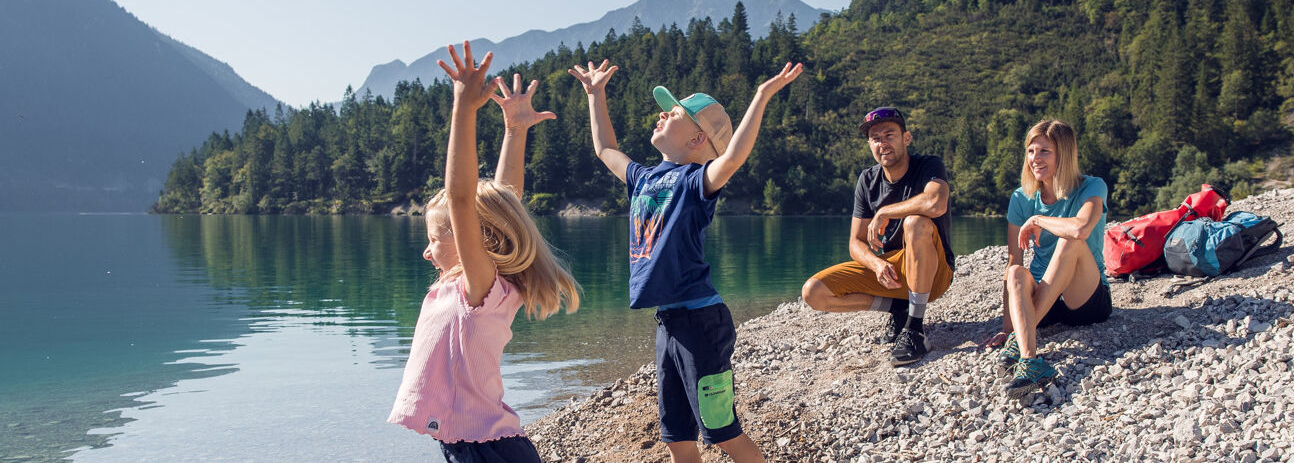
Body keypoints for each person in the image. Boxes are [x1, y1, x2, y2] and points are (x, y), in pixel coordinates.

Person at [570, 58, 802, 463]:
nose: (662, 114)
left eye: (674, 113)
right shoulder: (644, 178)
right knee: (676, 435)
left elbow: (732, 159)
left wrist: (761, 97)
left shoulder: (695, 183)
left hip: (700, 322)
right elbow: (605, 148)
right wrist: (596, 95)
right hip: (669, 321)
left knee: (722, 430)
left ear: (698, 141)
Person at [388, 43, 581, 462]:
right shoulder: (484, 283)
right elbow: (505, 201)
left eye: (436, 238)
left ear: (472, 237)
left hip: (485, 449)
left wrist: (464, 109)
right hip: (484, 444)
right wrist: (514, 131)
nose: (426, 252)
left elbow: (462, 198)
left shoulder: (480, 286)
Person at [800, 106, 955, 367]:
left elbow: (936, 203)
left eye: (889, 135)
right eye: (875, 138)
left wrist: (885, 212)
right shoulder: (867, 180)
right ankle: (898, 308)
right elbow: (855, 243)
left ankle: (915, 329)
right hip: (893, 274)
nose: (882, 143)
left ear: (906, 138)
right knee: (814, 292)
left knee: (915, 222)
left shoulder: (928, 165)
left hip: (934, 272)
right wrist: (877, 264)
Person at [994, 119, 1112, 397]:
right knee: (1015, 273)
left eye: (1045, 151)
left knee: (1070, 241)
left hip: (1084, 300)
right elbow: (1014, 260)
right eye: (1031, 151)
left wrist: (1038, 219)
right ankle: (1029, 360)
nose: (1035, 158)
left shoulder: (1092, 187)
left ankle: (1025, 339)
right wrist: (1008, 327)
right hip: (1043, 302)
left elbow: (1081, 228)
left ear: (1064, 154)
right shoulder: (1022, 197)